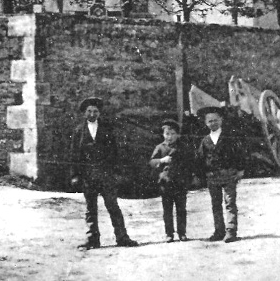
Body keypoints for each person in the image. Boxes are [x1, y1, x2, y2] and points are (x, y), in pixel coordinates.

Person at [70, 96, 138, 250]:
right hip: (88, 176)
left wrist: (116, 172)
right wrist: (75, 175)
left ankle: (122, 237)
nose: (92, 114)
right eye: (89, 111)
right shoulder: (78, 131)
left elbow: (114, 152)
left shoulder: (107, 129)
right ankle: (92, 239)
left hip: (106, 175)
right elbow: (74, 155)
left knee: (112, 205)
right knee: (90, 208)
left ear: (99, 113)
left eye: (95, 111)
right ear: (84, 113)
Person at [196, 106, 246, 243]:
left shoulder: (229, 136)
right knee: (216, 204)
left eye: (216, 120)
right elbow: (200, 158)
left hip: (229, 173)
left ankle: (231, 231)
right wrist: (202, 175)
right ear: (206, 123)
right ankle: (219, 231)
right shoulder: (205, 140)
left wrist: (240, 170)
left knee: (230, 202)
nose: (213, 123)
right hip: (212, 176)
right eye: (210, 121)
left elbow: (239, 153)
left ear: (221, 120)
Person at [149, 119, 193, 243]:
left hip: (180, 183)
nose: (170, 137)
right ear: (163, 134)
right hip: (165, 183)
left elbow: (189, 164)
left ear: (178, 135)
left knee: (181, 209)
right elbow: (152, 162)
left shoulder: (183, 147)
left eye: (173, 134)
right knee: (167, 210)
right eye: (167, 134)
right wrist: (162, 160)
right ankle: (169, 234)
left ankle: (182, 233)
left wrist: (188, 179)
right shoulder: (160, 147)